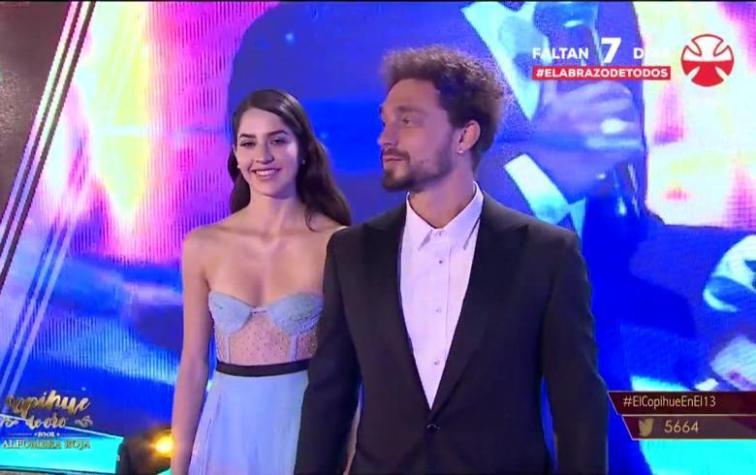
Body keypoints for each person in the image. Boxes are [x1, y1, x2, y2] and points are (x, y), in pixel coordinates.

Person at [295, 46, 607, 474]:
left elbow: (577, 404)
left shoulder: (546, 254)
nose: (385, 139)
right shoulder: (352, 251)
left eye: (407, 121)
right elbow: (329, 397)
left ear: (464, 136)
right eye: (385, 122)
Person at [170, 89, 350, 475]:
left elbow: (353, 371)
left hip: (304, 430)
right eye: (248, 143)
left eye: (278, 140)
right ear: (235, 154)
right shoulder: (203, 244)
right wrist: (179, 465)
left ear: (303, 150)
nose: (262, 156)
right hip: (225, 432)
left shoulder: (337, 244)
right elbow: (193, 365)